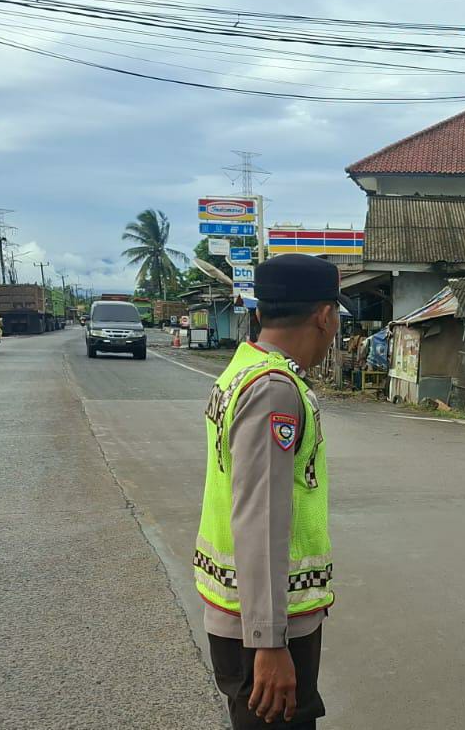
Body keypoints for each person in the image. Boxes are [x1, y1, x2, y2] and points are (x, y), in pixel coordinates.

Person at [194, 254, 348, 729]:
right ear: (325, 316)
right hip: (263, 625)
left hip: (247, 612)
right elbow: (260, 516)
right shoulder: (274, 389)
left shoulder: (243, 368)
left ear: (260, 313)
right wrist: (268, 642)